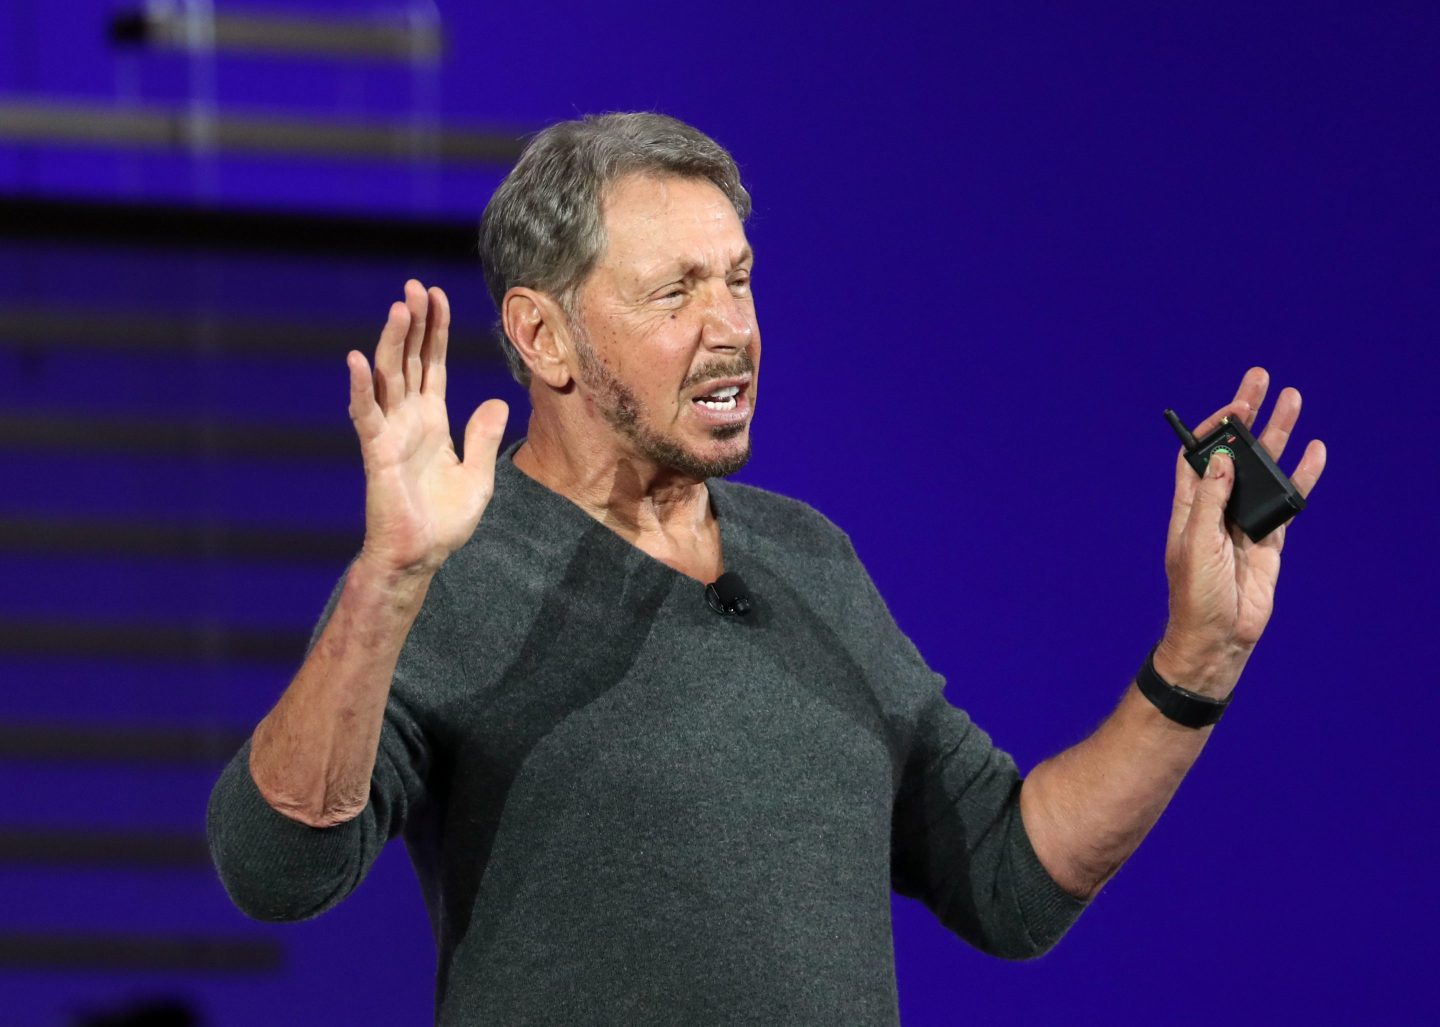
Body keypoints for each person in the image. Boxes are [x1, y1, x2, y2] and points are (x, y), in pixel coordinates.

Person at [207, 113, 1326, 1025]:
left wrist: (1200, 655)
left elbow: (1010, 877)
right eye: (675, 291)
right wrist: (390, 576)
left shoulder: (805, 553)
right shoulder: (454, 569)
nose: (732, 328)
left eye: (739, 280)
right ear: (543, 337)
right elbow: (275, 868)